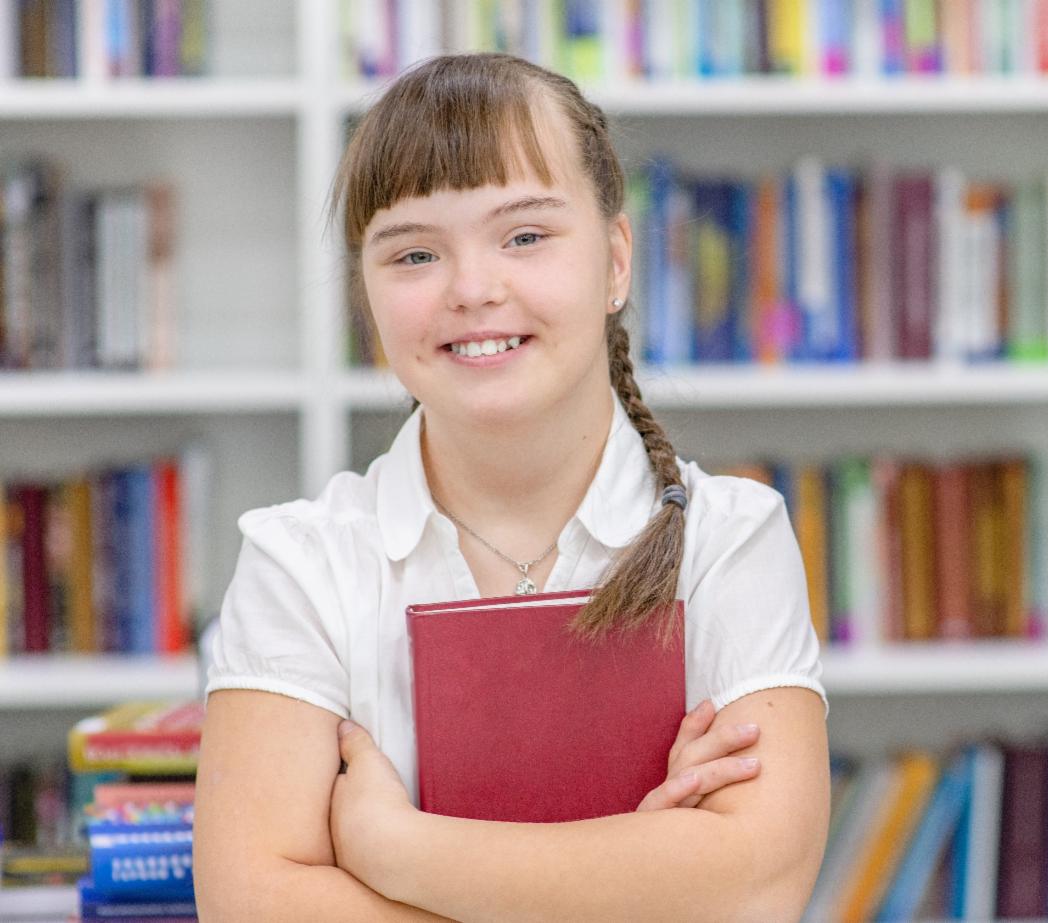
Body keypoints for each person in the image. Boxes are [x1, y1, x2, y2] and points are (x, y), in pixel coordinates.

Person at [194, 52, 829, 921]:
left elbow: (758, 885)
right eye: (414, 254)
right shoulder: (299, 564)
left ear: (614, 262)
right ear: (368, 297)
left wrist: (397, 850)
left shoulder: (732, 540)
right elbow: (253, 902)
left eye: (525, 236)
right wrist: (639, 884)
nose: (473, 289)